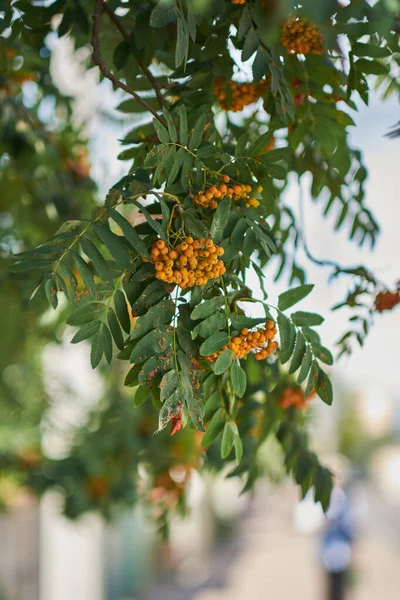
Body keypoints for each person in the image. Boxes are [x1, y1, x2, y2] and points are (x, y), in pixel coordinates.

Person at [320, 485, 355, 600]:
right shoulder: (341, 509)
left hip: (339, 557)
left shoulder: (341, 510)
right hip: (333, 556)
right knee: (333, 591)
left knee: (337, 591)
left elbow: (349, 531)